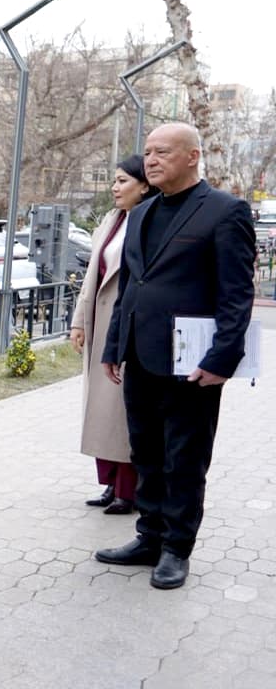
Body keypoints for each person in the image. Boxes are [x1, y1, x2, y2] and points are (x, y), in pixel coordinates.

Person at [97, 122, 256, 590]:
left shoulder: (225, 212)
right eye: (147, 152)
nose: (150, 160)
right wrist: (114, 345)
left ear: (192, 156)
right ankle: (148, 535)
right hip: (142, 356)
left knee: (184, 457)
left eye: (162, 152)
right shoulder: (142, 212)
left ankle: (175, 549)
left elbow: (236, 293)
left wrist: (223, 358)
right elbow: (130, 285)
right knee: (145, 451)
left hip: (193, 363)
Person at [69, 155, 154, 515]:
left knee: (121, 408)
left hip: (126, 324)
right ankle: (108, 482)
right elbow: (92, 274)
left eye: (123, 181)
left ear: (144, 186)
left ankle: (128, 489)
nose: (115, 188)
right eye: (115, 181)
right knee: (101, 409)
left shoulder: (150, 220)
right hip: (98, 320)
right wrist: (78, 322)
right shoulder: (111, 218)